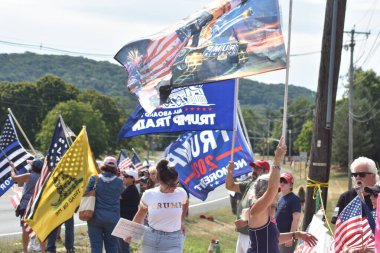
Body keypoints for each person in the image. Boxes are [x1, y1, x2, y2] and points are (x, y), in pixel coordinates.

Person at [233, 137, 317, 253]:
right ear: (264, 193)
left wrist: (296, 234)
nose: (277, 194)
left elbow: (274, 239)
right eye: (276, 191)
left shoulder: (267, 213)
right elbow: (272, 188)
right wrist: (277, 160)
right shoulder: (257, 209)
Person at [128, 159, 189, 252]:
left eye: (176, 183)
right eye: (171, 185)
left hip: (174, 239)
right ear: (160, 181)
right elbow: (140, 214)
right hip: (151, 238)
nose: (174, 187)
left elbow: (185, 203)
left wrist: (180, 222)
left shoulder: (181, 193)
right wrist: (130, 233)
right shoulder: (149, 194)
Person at [225, 159, 270, 253]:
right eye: (254, 167)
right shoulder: (250, 183)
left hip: (254, 235)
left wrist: (246, 222)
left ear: (266, 171)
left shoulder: (266, 187)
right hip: (243, 233)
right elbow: (230, 186)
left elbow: (267, 211)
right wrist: (229, 171)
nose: (254, 170)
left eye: (258, 168)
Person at [85, 156, 125, 253]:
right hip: (113, 219)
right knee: (112, 247)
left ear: (103, 165)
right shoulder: (120, 182)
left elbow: (86, 194)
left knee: (95, 247)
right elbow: (121, 193)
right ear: (116, 168)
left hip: (95, 217)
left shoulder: (94, 179)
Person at [10, 158, 46, 253]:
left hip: (26, 205)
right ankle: (43, 251)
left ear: (33, 167)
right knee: (40, 230)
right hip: (38, 205)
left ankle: (25, 251)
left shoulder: (29, 176)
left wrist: (12, 168)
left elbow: (14, 178)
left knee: (25, 230)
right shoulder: (43, 177)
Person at [331, 156, 378, 224]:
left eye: (362, 174)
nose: (357, 177)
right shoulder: (345, 197)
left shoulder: (378, 195)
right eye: (355, 175)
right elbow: (338, 224)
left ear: (373, 176)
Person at [275, 172, 301, 253]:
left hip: (287, 238)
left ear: (291, 185)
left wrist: (291, 237)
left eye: (285, 181)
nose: (282, 183)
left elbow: (296, 219)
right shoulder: (280, 198)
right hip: (278, 237)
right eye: (281, 181)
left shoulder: (294, 199)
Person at [118, 169, 140, 253]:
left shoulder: (131, 190)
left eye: (126, 176)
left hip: (126, 221)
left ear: (132, 179)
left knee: (123, 247)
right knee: (120, 246)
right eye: (124, 176)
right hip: (125, 220)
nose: (124, 178)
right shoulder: (129, 189)